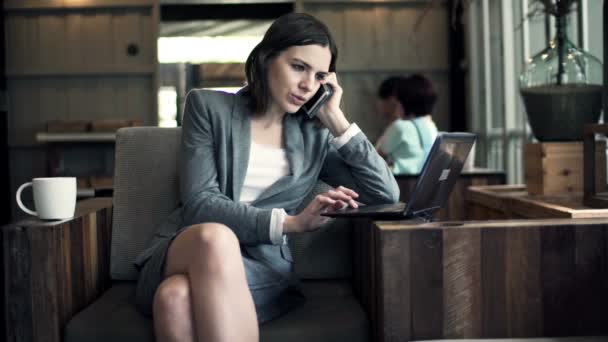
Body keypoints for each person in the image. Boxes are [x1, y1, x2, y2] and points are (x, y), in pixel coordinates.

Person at [133, 12, 399, 342]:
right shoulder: (207, 107)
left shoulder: (315, 137)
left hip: (260, 269)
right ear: (265, 58)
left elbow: (385, 193)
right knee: (215, 238)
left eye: (319, 76)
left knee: (174, 299)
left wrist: (337, 120)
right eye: (298, 67)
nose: (307, 84)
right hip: (187, 248)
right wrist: (290, 224)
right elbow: (200, 204)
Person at [375, 74, 439, 175]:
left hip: (401, 183)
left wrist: (396, 119)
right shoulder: (431, 126)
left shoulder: (400, 127)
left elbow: (374, 157)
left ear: (401, 102)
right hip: (426, 181)